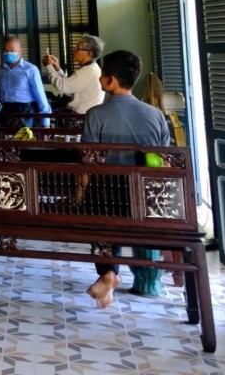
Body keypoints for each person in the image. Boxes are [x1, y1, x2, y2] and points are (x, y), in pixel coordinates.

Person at [80, 49, 172, 308]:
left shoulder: (96, 115)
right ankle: (110, 276)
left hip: (105, 198)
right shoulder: (155, 115)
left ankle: (109, 273)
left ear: (111, 81)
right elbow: (163, 156)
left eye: (103, 76)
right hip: (145, 197)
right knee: (110, 214)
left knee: (98, 216)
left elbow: (87, 159)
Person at [0, 35, 51, 127]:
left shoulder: (31, 69)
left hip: (25, 112)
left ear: (20, 51)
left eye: (12, 50)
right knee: (4, 140)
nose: (8, 53)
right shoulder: (1, 70)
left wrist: (46, 123)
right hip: (5, 111)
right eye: (6, 51)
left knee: (24, 140)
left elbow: (41, 96)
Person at [41, 34, 106, 114]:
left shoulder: (88, 71)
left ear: (89, 53)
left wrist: (49, 67)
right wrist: (57, 68)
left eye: (78, 48)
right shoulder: (92, 68)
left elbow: (63, 87)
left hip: (79, 117)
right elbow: (70, 87)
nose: (74, 50)